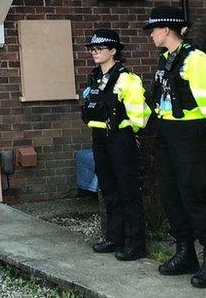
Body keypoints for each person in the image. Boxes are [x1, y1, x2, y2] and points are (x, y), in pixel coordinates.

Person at [143, 6, 206, 288]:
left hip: (190, 133)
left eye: (153, 29)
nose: (151, 34)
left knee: (194, 194)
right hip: (167, 132)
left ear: (166, 30)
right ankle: (185, 251)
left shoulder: (196, 60)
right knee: (171, 193)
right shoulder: (166, 59)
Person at [81, 28, 150, 261]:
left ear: (113, 51)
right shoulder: (94, 78)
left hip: (120, 138)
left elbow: (139, 116)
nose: (95, 52)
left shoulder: (127, 79)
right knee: (109, 189)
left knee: (128, 190)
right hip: (99, 138)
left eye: (100, 48)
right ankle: (114, 237)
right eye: (92, 48)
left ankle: (136, 243)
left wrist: (130, 131)